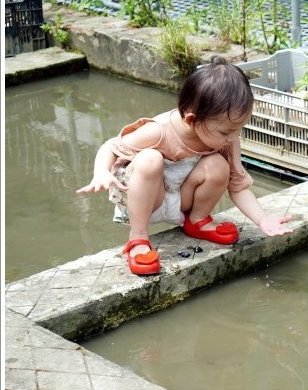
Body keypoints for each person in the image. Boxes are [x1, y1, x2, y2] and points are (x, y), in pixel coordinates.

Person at [76, 56, 294, 275]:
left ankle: (197, 220)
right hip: (147, 199)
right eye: (226, 131)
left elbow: (238, 187)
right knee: (151, 158)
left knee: (219, 165)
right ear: (191, 120)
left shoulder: (227, 141)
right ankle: (138, 238)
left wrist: (263, 219)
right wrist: (101, 172)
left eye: (238, 130)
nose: (233, 137)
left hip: (182, 195)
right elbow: (110, 147)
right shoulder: (158, 131)